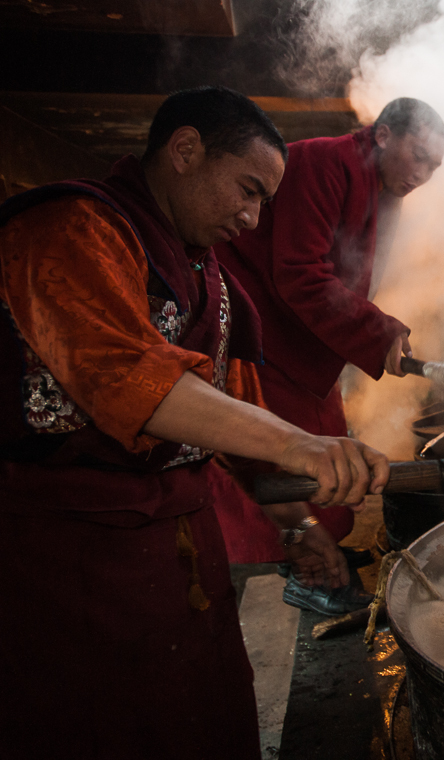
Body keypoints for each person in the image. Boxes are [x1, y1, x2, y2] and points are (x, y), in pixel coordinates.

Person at [0, 86, 389, 760]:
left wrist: (297, 523)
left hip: (182, 554)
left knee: (205, 720)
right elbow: (132, 380)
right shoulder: (69, 230)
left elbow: (229, 407)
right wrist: (301, 441)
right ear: (185, 151)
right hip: (72, 556)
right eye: (246, 189)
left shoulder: (208, 277)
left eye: (264, 200)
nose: (252, 215)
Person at [212, 97, 444, 613]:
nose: (424, 174)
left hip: (307, 347)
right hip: (263, 339)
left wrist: (373, 330)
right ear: (383, 134)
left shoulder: (382, 189)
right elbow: (297, 271)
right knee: (276, 467)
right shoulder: (324, 162)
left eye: (435, 166)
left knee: (328, 459)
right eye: (420, 156)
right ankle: (302, 571)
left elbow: (356, 274)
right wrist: (373, 329)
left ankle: (322, 556)